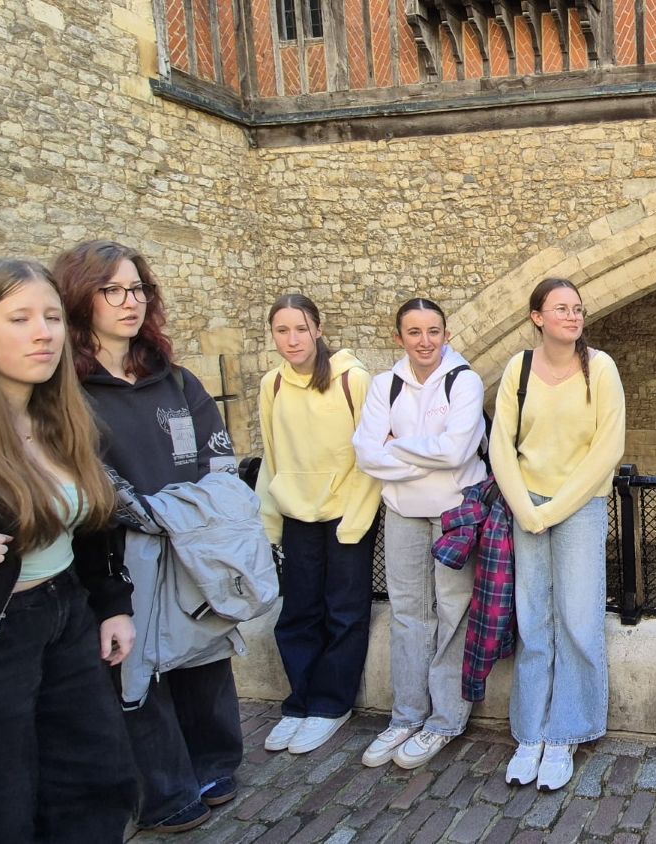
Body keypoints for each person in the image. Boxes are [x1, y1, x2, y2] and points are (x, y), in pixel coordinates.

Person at [53, 240, 243, 833]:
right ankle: (165, 788)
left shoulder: (175, 380)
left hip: (191, 547)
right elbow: (89, 476)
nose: (128, 301)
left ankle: (214, 762)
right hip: (120, 554)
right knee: (138, 670)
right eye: (111, 289)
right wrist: (151, 517)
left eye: (136, 288)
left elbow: (219, 460)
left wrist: (184, 516)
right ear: (81, 298)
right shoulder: (69, 392)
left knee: (204, 657)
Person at [0, 259, 139, 843]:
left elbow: (95, 524)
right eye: (19, 318)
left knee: (95, 777)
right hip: (4, 626)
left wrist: (112, 604)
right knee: (8, 796)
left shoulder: (63, 419)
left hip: (67, 613)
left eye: (52, 318)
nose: (42, 334)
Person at [489, 278, 626, 791]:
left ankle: (566, 731)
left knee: (578, 618)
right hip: (527, 505)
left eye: (578, 309)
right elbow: (501, 443)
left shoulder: (600, 368)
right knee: (533, 618)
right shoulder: (518, 369)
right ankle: (530, 732)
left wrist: (553, 511)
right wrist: (525, 507)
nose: (572, 316)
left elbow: (608, 447)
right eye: (561, 308)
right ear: (537, 317)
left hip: (580, 507)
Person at [352, 298, 487, 769]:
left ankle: (446, 719)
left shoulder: (464, 381)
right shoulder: (385, 385)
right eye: (414, 332)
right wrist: (424, 456)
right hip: (402, 512)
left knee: (453, 612)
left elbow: (456, 453)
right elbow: (366, 453)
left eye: (433, 331)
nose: (425, 341)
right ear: (399, 338)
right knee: (408, 613)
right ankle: (406, 715)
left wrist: (397, 447)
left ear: (446, 335)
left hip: (455, 512)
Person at [256, 294, 382, 755]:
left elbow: (371, 454)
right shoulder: (272, 385)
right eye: (282, 331)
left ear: (318, 330)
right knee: (298, 610)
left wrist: (357, 518)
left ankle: (331, 705)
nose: (292, 339)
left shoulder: (353, 380)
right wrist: (269, 521)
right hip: (297, 512)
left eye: (300, 329)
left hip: (348, 512)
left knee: (344, 612)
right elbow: (272, 455)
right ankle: (301, 702)